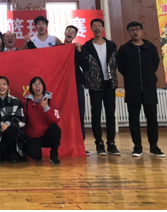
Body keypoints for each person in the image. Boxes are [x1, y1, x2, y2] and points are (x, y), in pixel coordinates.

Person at [118, 21, 165, 158]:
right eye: (132, 29)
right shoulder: (124, 49)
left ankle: (154, 146)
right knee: (133, 118)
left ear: (142, 31)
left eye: (137, 29)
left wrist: (148, 76)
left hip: (149, 88)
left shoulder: (150, 47)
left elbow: (155, 63)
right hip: (132, 88)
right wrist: (131, 77)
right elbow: (121, 67)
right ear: (128, 32)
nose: (135, 32)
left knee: (152, 118)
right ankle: (137, 146)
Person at [82, 18, 120, 156]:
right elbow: (84, 65)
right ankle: (99, 143)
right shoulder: (87, 46)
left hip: (109, 84)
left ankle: (111, 143)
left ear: (103, 28)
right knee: (96, 115)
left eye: (99, 25)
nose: (97, 28)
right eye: (94, 26)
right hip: (95, 85)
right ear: (91, 28)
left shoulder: (111, 45)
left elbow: (115, 63)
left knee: (110, 115)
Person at [63, 25, 90, 155]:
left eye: (73, 32)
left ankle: (80, 144)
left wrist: (79, 52)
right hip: (62, 85)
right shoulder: (57, 48)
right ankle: (63, 144)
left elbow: (86, 66)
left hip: (76, 84)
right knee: (62, 113)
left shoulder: (78, 49)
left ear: (75, 36)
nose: (70, 33)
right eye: (68, 30)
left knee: (79, 113)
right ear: (64, 32)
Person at [23, 77, 61, 165]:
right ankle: (38, 153)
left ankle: (54, 155)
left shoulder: (50, 101)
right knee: (33, 154)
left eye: (39, 84)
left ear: (43, 86)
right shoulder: (26, 103)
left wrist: (46, 108)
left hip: (47, 135)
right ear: (31, 87)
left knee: (56, 129)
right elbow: (24, 120)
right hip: (34, 136)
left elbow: (55, 119)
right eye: (34, 84)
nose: (37, 86)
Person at [0, 76, 25, 163]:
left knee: (9, 131)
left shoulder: (16, 102)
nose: (2, 87)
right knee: (1, 150)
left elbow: (22, 121)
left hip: (14, 132)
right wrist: (2, 125)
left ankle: (14, 153)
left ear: (8, 87)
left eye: (4, 84)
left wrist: (9, 123)